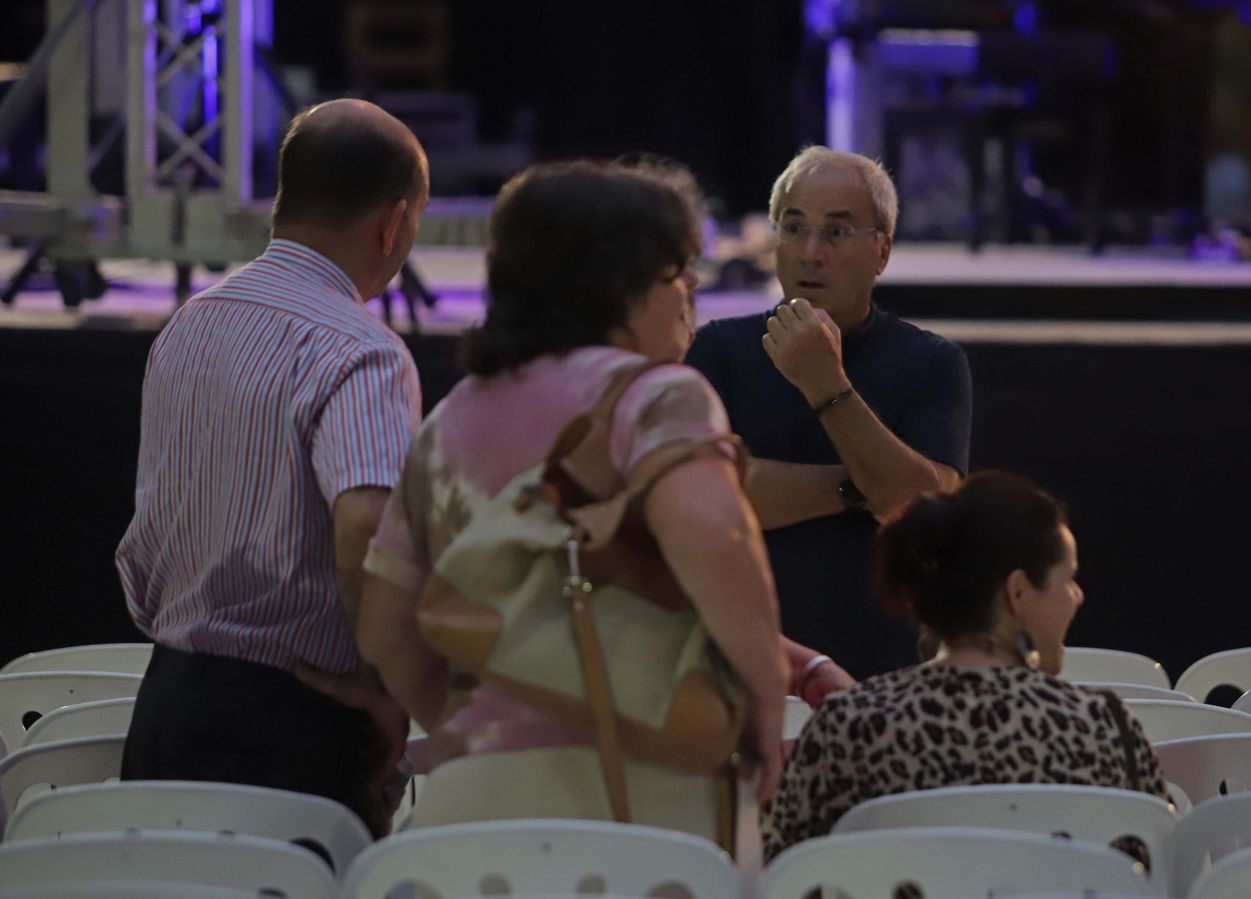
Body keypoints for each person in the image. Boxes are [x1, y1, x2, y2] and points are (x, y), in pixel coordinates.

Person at [359, 159, 828, 840]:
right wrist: (762, 694)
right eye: (677, 268)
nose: (692, 286)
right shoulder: (661, 396)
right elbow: (709, 533)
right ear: (618, 283)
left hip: (470, 823)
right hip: (639, 815)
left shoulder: (451, 419)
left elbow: (384, 628)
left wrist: (489, 727)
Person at [115, 99, 429, 836]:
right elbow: (367, 521)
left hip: (162, 709)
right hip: (293, 728)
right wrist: (385, 684)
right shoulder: (362, 348)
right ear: (392, 223)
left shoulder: (189, 321)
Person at [763, 472, 1169, 859]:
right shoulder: (1106, 729)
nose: (1076, 597)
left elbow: (786, 874)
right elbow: (1159, 870)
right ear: (1018, 592)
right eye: (1069, 579)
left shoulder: (847, 725)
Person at [685, 147, 973, 679]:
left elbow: (929, 514)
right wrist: (859, 487)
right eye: (792, 228)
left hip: (881, 672)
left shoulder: (932, 361)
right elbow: (711, 498)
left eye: (836, 233)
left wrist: (827, 386)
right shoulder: (717, 349)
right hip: (738, 665)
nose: (809, 251)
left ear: (881, 252)